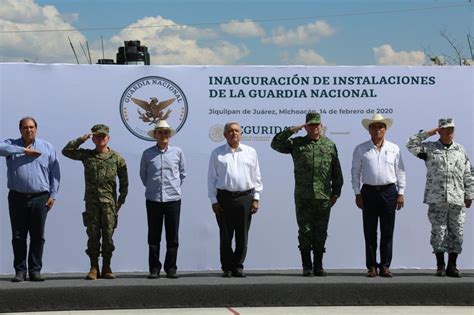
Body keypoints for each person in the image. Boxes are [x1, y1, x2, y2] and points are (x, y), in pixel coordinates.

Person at [271, 112, 343, 277]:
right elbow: (275, 144)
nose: (314, 127)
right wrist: (292, 130)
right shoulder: (297, 143)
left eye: (316, 124)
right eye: (310, 125)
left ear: (321, 126)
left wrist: (336, 192)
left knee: (321, 231)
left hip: (323, 196)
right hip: (303, 196)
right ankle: (306, 266)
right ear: (306, 126)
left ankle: (318, 265)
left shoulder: (329, 145)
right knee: (305, 231)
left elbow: (336, 170)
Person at [406, 118, 472, 277]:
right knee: (439, 232)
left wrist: (470, 194)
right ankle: (440, 265)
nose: (448, 132)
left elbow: (468, 173)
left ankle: (452, 266)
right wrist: (428, 133)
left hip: (457, 198)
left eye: (451, 129)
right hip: (437, 198)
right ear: (439, 130)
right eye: (444, 129)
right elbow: (411, 144)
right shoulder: (429, 148)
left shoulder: (461, 150)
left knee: (457, 232)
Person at [62, 124, 128, 280]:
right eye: (97, 136)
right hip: (92, 203)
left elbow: (124, 181)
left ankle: (106, 266)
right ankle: (93, 266)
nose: (100, 138)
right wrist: (81, 139)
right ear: (93, 139)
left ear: (108, 138)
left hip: (109, 204)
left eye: (103, 136)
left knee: (108, 236)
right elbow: (66, 151)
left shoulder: (117, 158)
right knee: (92, 235)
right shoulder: (87, 156)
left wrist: (120, 200)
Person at [0, 117, 60, 282]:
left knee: (37, 236)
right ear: (20, 130)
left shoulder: (47, 147)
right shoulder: (12, 145)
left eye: (32, 127)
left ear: (36, 129)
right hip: (17, 197)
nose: (29, 130)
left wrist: (53, 195)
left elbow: (55, 173)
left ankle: (35, 270)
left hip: (40, 198)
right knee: (18, 236)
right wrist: (23, 151)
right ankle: (20, 271)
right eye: (25, 128)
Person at [351, 113, 406, 278]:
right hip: (368, 192)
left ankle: (385, 266)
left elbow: (401, 172)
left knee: (387, 231)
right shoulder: (361, 148)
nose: (377, 130)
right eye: (374, 127)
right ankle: (371, 267)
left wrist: (401, 192)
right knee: (369, 231)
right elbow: (355, 173)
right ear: (369, 130)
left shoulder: (394, 148)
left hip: (389, 191)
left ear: (385, 129)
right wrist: (357, 193)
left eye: (380, 126)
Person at [208, 122, 263, 278]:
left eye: (236, 131)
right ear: (225, 135)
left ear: (241, 133)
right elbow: (211, 179)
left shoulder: (250, 152)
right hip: (224, 198)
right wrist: (214, 200)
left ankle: (238, 266)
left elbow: (256, 177)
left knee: (242, 235)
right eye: (230, 131)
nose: (234, 133)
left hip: (245, 198)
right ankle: (226, 267)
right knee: (225, 235)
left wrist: (256, 198)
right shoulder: (217, 153)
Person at [140, 120, 186, 279]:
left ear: (169, 135)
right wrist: (153, 188)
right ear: (155, 135)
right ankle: (154, 269)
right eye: (160, 132)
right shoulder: (147, 154)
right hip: (153, 199)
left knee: (172, 236)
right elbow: (143, 175)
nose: (163, 135)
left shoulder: (178, 152)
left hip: (173, 199)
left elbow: (182, 174)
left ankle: (171, 268)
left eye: (166, 132)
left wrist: (173, 188)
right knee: (153, 236)